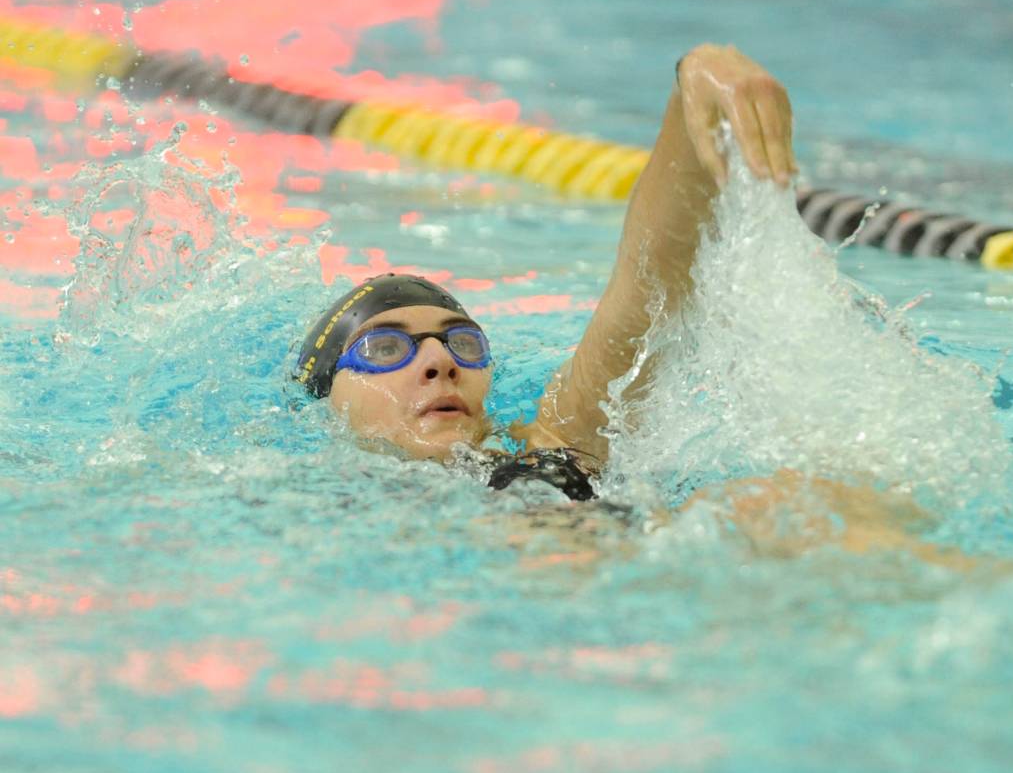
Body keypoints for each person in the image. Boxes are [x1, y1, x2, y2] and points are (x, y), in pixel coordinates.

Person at [294, 44, 795, 498]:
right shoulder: (286, 499)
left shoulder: (547, 455)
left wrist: (697, 77)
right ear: (326, 398)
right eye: (384, 348)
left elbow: (647, 288)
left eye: (463, 344)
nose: (439, 363)